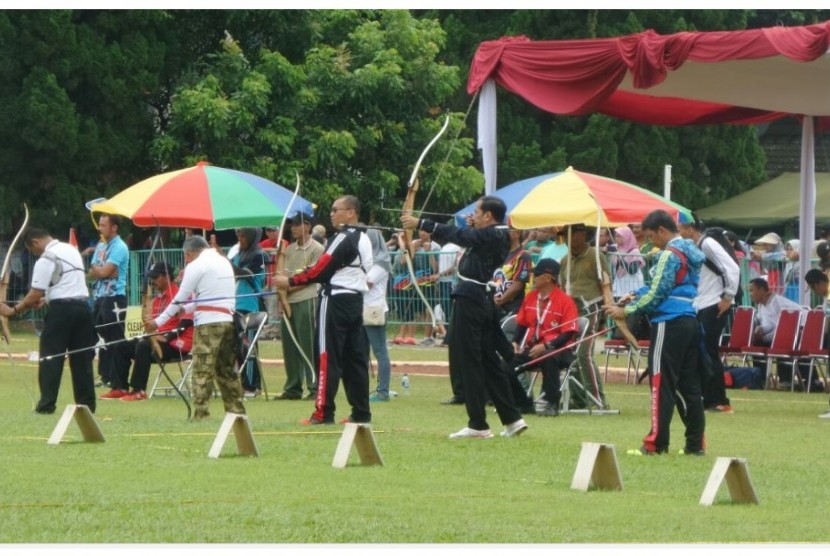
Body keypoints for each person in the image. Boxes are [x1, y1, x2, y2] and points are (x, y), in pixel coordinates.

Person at [401, 196, 528, 439]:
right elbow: (470, 237)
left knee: (468, 359)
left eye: (478, 212)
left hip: (472, 299)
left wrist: (423, 223)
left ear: (489, 216)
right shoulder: (492, 233)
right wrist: (472, 225)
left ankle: (478, 424)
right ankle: (512, 419)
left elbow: (462, 237)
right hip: (480, 298)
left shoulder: (492, 234)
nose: (474, 215)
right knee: (489, 360)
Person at [605, 209, 706, 456]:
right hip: (690, 320)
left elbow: (658, 294)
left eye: (651, 236)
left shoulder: (668, 254)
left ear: (662, 230)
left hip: (668, 323)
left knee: (661, 384)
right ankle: (695, 445)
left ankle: (655, 444)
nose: (651, 242)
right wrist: (637, 293)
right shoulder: (690, 250)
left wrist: (627, 310)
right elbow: (666, 286)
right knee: (689, 386)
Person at [274, 195, 372, 426]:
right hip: (354, 301)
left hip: (335, 300)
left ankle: (323, 412)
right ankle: (361, 413)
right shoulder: (363, 238)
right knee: (354, 358)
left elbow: (321, 270)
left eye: (336, 209)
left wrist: (290, 282)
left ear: (351, 213)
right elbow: (332, 266)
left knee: (327, 357)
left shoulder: (343, 236)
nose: (331, 213)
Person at [146, 235, 245, 421]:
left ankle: (201, 414)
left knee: (201, 369)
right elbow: (208, 299)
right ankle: (236, 412)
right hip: (228, 321)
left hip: (208, 324)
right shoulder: (223, 262)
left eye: (186, 256)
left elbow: (180, 296)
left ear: (190, 252)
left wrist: (158, 322)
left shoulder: (196, 265)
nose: (186, 260)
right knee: (226, 370)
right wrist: (185, 309)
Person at [0, 228, 97, 414]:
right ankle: (87, 406)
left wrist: (13, 310)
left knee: (51, 357)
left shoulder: (47, 257)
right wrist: (47, 298)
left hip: (62, 312)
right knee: (82, 359)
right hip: (83, 310)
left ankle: (46, 404)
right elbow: (67, 282)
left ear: (36, 243)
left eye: (32, 250)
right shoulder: (71, 250)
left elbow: (35, 292)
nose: (35, 254)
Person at [678, 219, 741, 414]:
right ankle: (708, 398)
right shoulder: (697, 247)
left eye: (680, 229)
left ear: (690, 229)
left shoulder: (707, 243)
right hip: (703, 304)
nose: (679, 233)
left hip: (714, 303)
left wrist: (728, 296)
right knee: (701, 351)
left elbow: (732, 268)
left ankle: (719, 400)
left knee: (709, 351)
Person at [504, 258, 579, 417]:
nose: (533, 278)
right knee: (505, 365)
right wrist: (515, 342)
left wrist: (547, 346)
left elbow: (569, 333)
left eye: (536, 274)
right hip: (533, 348)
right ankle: (523, 403)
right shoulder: (531, 297)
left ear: (547, 277)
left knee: (548, 357)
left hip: (559, 350)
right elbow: (523, 324)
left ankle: (551, 402)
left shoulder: (566, 301)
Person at [116, 262, 194, 402]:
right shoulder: (158, 299)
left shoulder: (179, 295)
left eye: (156, 277)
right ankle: (119, 388)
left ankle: (138, 390)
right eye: (151, 277)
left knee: (143, 346)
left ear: (167, 276)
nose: (152, 281)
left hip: (176, 345)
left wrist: (167, 337)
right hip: (157, 340)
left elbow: (187, 321)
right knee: (122, 346)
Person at [558, 223, 611, 410]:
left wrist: (606, 310)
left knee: (583, 353)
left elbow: (605, 284)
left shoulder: (596, 256)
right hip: (570, 312)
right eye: (565, 235)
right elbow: (561, 286)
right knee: (569, 354)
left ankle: (598, 400)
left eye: (570, 234)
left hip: (591, 310)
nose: (567, 238)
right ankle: (579, 399)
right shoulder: (565, 260)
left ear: (581, 234)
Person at [273, 212, 324, 401]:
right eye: (291, 225)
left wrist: (287, 287)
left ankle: (314, 386)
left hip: (306, 298)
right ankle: (293, 386)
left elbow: (312, 276)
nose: (293, 228)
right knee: (289, 345)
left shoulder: (317, 248)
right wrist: (282, 296)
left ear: (308, 226)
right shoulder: (290, 249)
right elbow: (281, 274)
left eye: (297, 224)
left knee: (308, 344)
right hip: (289, 300)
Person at [747, 277, 817, 390]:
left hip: (803, 328)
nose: (750, 294)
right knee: (757, 343)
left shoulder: (777, 303)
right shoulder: (761, 305)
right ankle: (760, 378)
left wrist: (764, 337)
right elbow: (770, 324)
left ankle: (788, 380)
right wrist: (760, 330)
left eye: (752, 290)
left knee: (781, 342)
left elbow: (781, 328)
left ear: (761, 290)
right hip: (785, 331)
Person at [89, 214, 130, 398]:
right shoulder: (101, 245)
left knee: (116, 339)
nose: (100, 228)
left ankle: (120, 384)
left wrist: (102, 271)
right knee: (101, 337)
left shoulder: (120, 247)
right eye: (99, 224)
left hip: (114, 298)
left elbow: (105, 271)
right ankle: (107, 377)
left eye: (104, 225)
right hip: (99, 296)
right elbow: (94, 271)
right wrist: (102, 271)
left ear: (114, 227)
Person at [229, 228, 267, 398]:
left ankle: (252, 385)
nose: (240, 239)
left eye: (243, 236)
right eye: (238, 235)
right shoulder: (238, 254)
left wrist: (225, 261)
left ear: (251, 237)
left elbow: (246, 274)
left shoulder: (259, 255)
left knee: (248, 346)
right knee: (237, 347)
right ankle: (243, 383)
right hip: (234, 305)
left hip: (250, 305)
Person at [364, 228, 394, 402]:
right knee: (363, 351)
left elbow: (367, 283)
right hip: (365, 307)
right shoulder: (371, 260)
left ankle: (383, 391)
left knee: (380, 351)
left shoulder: (381, 261)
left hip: (374, 309)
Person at [493, 227, 532, 318]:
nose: (503, 235)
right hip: (495, 307)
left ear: (517, 233)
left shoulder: (523, 256)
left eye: (507, 231)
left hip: (512, 309)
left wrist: (501, 300)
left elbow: (517, 285)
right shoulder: (500, 255)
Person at [610, 226, 645, 299]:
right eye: (615, 236)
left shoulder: (635, 251)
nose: (616, 238)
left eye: (619, 236)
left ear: (626, 237)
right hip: (620, 284)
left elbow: (633, 270)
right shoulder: (618, 249)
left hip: (633, 284)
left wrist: (621, 260)